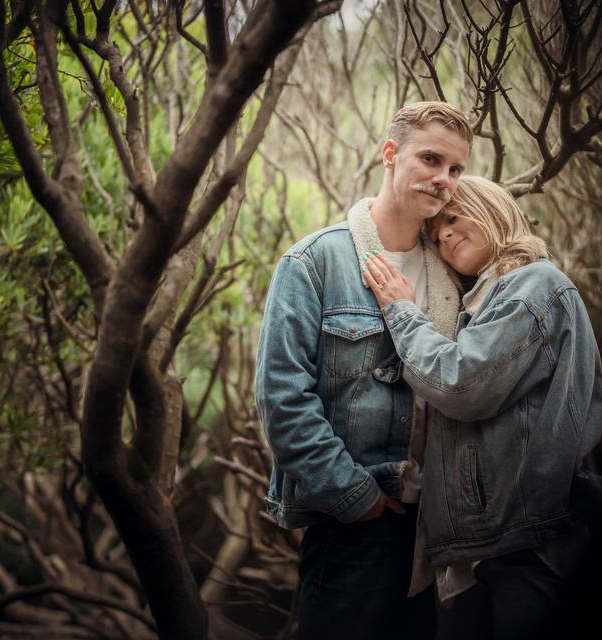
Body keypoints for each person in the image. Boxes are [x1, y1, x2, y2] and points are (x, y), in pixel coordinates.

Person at [254, 102, 472, 640]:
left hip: (440, 530)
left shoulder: (456, 268)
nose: (444, 179)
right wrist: (356, 498)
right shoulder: (313, 263)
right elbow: (282, 399)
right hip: (356, 523)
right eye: (431, 159)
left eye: (456, 169)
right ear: (390, 154)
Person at [363, 175, 602, 639]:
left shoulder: (535, 284)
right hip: (485, 546)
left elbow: (461, 383)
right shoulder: (484, 300)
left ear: (493, 211)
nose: (446, 235)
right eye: (437, 235)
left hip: (526, 543)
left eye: (454, 218)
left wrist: (400, 310)